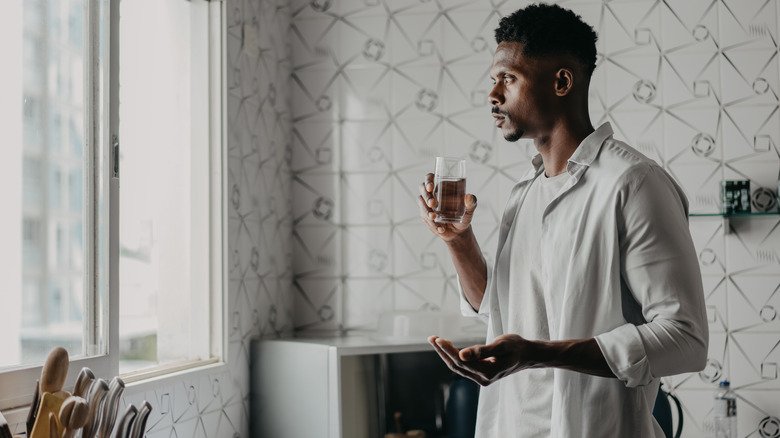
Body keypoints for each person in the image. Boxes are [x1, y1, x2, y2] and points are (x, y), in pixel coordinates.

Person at [418, 4, 708, 437]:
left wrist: (536, 354)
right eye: (493, 80)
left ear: (562, 81)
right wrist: (458, 241)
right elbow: (501, 313)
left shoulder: (632, 184)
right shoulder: (526, 191)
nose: (492, 95)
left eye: (508, 78)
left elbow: (686, 340)